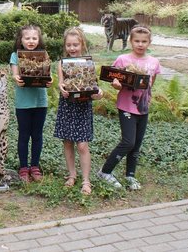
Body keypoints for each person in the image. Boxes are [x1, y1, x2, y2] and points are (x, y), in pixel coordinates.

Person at [97, 25, 161, 190]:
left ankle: (130, 176)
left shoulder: (154, 62)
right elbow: (115, 81)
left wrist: (148, 99)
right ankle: (105, 171)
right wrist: (117, 86)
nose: (140, 44)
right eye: (137, 41)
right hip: (126, 107)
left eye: (144, 41)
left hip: (143, 108)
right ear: (131, 41)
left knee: (137, 144)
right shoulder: (123, 60)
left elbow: (150, 84)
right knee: (128, 142)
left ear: (149, 42)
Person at [54, 27, 103, 195]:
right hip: (68, 106)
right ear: (65, 46)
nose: (72, 48)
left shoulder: (89, 63)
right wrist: (61, 88)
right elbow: (60, 83)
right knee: (67, 142)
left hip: (83, 107)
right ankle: (72, 175)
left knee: (82, 145)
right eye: (69, 45)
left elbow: (94, 86)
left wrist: (99, 93)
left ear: (82, 44)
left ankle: (86, 180)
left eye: (75, 44)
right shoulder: (61, 63)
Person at [10, 25, 51, 183]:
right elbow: (15, 74)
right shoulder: (16, 56)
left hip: (40, 102)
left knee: (37, 135)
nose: (31, 41)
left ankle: (35, 166)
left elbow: (48, 75)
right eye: (27, 38)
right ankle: (23, 167)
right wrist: (17, 79)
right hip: (23, 103)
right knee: (24, 135)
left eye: (34, 38)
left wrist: (49, 81)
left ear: (39, 39)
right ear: (21, 40)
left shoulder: (43, 55)